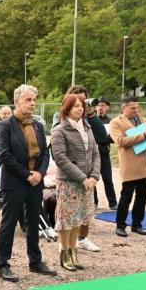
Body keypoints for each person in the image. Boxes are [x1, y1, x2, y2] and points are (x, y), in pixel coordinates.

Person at [0, 85, 57, 282]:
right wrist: (26, 175)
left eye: (34, 100)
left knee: (33, 222)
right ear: (17, 102)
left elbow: (45, 152)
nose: (32, 104)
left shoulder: (37, 125)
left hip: (35, 181)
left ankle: (35, 261)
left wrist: (39, 173)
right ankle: (3, 264)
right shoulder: (5, 125)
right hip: (15, 181)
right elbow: (3, 154)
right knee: (9, 223)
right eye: (28, 100)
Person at [50, 94, 100, 271]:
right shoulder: (59, 130)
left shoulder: (87, 127)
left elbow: (95, 153)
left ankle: (74, 252)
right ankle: (65, 253)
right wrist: (82, 177)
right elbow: (60, 158)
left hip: (87, 182)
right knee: (66, 220)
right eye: (75, 106)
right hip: (69, 183)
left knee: (78, 219)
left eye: (81, 106)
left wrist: (94, 176)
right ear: (66, 108)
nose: (80, 108)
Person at [110, 95, 146, 237]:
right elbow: (121, 141)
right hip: (131, 165)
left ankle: (137, 224)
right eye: (133, 108)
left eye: (137, 107)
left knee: (142, 197)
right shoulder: (115, 123)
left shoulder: (145, 120)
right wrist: (143, 134)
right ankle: (120, 226)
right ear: (124, 108)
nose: (136, 110)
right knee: (126, 197)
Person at [65, 85, 102, 253]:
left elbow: (101, 138)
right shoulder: (62, 118)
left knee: (88, 208)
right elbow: (60, 152)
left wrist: (92, 114)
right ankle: (67, 245)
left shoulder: (87, 120)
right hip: (72, 173)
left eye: (83, 100)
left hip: (89, 172)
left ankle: (83, 238)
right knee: (70, 212)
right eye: (77, 101)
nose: (81, 104)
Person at [95, 97, 117, 210]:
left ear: (107, 107)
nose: (100, 108)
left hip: (104, 154)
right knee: (92, 179)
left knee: (108, 179)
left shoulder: (111, 122)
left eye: (103, 105)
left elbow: (113, 138)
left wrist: (101, 139)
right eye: (98, 105)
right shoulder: (91, 120)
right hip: (92, 154)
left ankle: (113, 203)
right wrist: (103, 137)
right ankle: (94, 202)